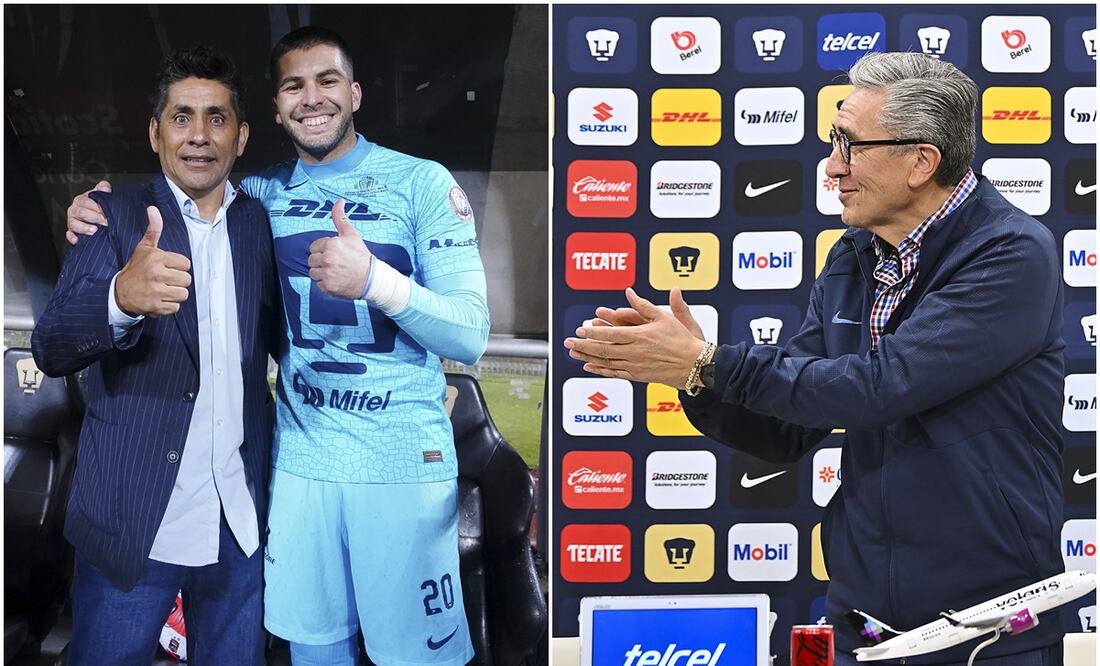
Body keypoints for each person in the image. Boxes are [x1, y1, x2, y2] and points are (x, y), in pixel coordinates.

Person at [565, 52, 1065, 666]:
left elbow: (883, 386)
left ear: (921, 161)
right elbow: (785, 429)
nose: (831, 168)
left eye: (849, 146)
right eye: (834, 144)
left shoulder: (1011, 253)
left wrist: (710, 361)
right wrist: (692, 376)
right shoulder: (854, 255)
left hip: (986, 632)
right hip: (865, 624)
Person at [65, 26, 488, 666]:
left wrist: (375, 279)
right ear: (274, 108)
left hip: (400, 463)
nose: (311, 98)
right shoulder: (257, 196)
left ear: (356, 92)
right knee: (316, 653)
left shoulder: (422, 184)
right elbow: (189, 198)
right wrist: (95, 211)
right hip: (300, 469)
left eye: (328, 81)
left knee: (417, 657)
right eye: (294, 85)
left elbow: (468, 333)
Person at [32, 46, 278, 665]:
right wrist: (120, 298)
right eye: (182, 117)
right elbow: (52, 343)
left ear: (241, 136)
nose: (199, 136)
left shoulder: (259, 225)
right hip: (133, 524)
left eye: (217, 118)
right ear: (155, 132)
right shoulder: (112, 217)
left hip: (239, 525)